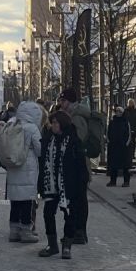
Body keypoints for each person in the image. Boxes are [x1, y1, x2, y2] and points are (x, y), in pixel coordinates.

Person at [36, 108, 86, 259]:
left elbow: (80, 166)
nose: (53, 125)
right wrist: (40, 184)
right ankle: (52, 245)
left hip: (68, 185)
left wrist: (80, 186)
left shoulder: (73, 141)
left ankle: (67, 247)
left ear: (62, 124)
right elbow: (43, 161)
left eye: (56, 123)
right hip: (50, 184)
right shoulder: (48, 139)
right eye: (52, 123)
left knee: (70, 215)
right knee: (47, 213)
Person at [55, 87, 94, 242]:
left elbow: (78, 139)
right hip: (74, 164)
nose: (60, 103)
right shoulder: (71, 115)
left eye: (63, 100)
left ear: (70, 102)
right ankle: (76, 231)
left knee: (79, 199)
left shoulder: (77, 117)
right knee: (75, 198)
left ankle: (79, 232)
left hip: (79, 165)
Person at [5, 100, 43, 242]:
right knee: (27, 201)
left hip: (13, 166)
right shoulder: (32, 128)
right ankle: (26, 231)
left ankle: (13, 231)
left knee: (15, 201)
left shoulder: (11, 123)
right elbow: (40, 150)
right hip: (28, 168)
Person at [106, 104, 133, 186]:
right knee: (113, 165)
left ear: (122, 113)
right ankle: (113, 181)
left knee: (125, 165)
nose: (117, 113)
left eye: (119, 111)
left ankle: (126, 181)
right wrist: (109, 142)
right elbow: (108, 133)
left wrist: (126, 144)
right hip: (114, 146)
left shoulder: (126, 122)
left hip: (123, 147)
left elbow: (129, 134)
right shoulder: (112, 122)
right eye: (116, 111)